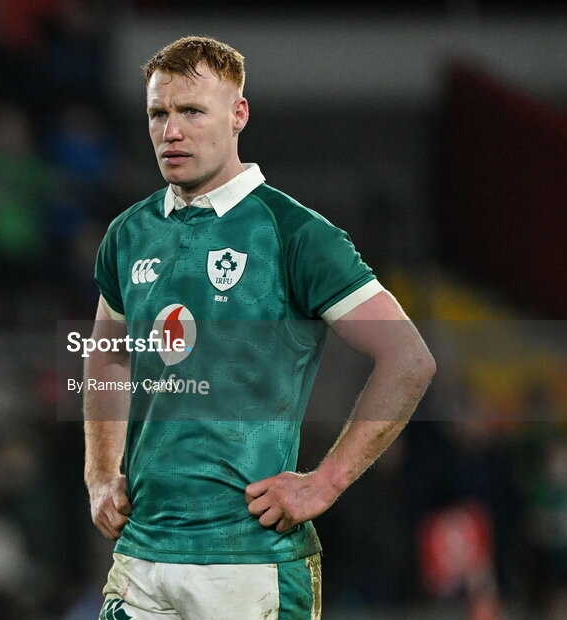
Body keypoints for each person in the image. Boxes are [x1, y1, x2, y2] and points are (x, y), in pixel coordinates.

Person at [83, 36, 436, 619]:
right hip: (143, 555)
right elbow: (108, 354)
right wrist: (101, 473)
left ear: (238, 114)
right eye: (158, 114)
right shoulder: (128, 234)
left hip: (250, 564)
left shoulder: (295, 232)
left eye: (192, 111)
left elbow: (409, 358)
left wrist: (325, 483)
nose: (171, 130)